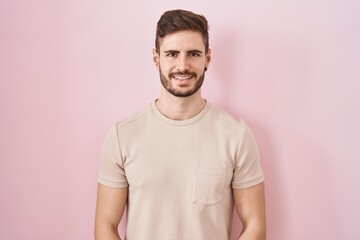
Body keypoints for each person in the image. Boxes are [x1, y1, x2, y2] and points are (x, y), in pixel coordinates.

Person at [94, 9, 266, 240]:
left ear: (207, 58)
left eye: (193, 54)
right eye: (172, 54)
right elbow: (105, 226)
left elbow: (255, 224)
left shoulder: (236, 135)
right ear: (157, 59)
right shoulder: (122, 136)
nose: (182, 65)